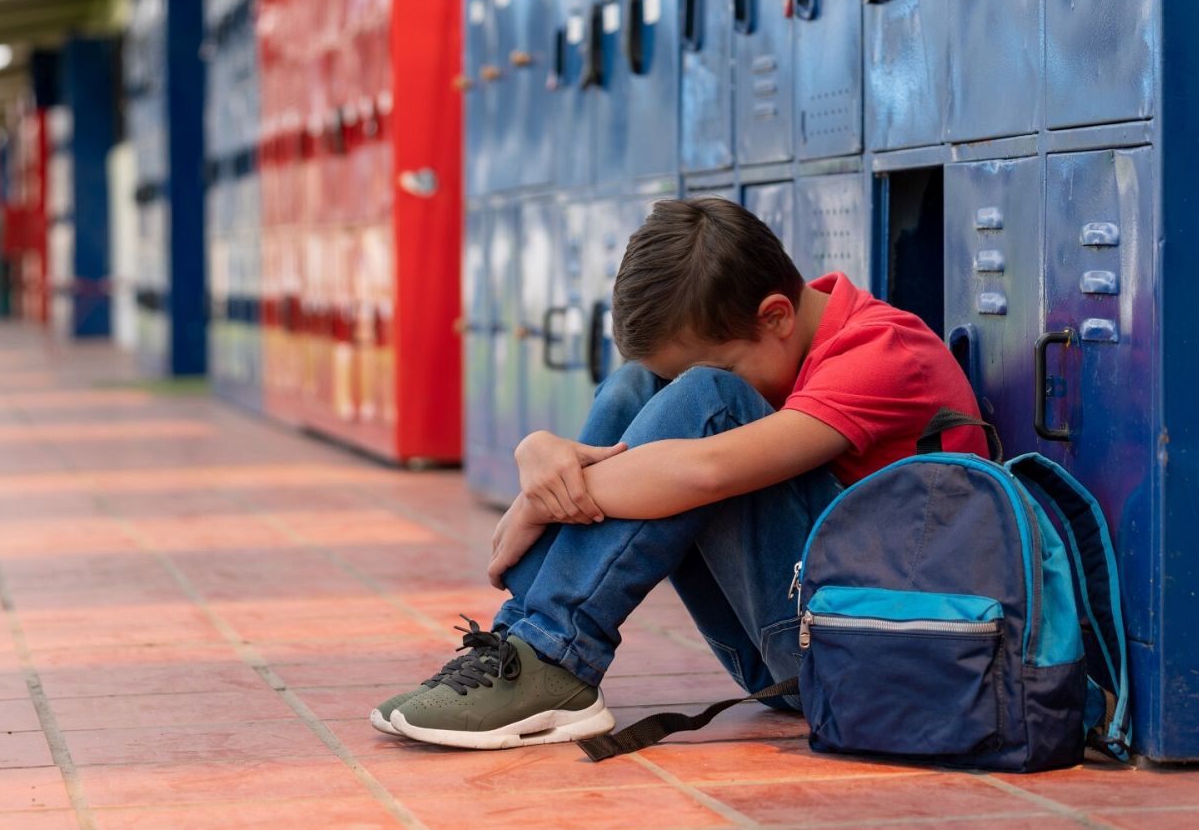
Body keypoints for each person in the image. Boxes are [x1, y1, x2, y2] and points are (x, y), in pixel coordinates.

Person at [372, 197, 989, 749]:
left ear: (775, 317)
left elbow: (706, 471)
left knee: (708, 400)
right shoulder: (786, 341)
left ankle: (553, 656)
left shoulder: (886, 354)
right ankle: (525, 650)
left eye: (726, 357)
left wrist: (541, 500)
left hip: (875, 658)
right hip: (784, 653)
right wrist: (539, 451)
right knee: (637, 385)